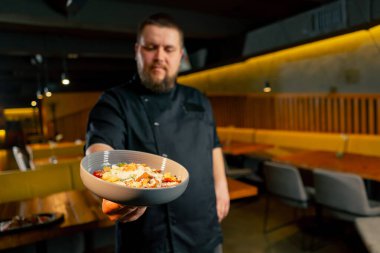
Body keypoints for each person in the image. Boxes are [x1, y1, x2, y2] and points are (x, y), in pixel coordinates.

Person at [85, 13, 230, 253]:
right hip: (147, 239)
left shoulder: (199, 99)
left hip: (204, 232)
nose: (160, 57)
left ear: (181, 55)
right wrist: (112, 190)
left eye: (169, 49)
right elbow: (100, 148)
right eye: (151, 47)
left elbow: (212, 144)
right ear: (137, 50)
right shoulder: (114, 101)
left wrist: (221, 186)